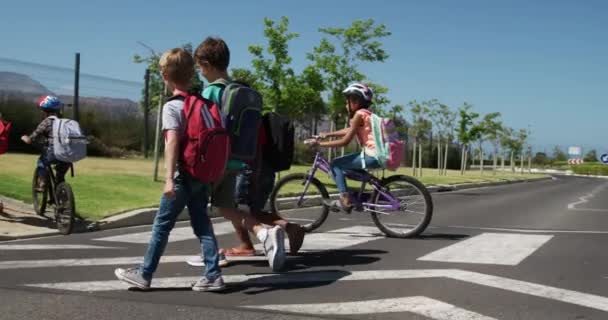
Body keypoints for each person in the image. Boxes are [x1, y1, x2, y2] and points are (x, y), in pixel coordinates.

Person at [114, 48, 224, 292]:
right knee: (202, 225)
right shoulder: (203, 104)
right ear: (191, 74)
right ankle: (213, 274)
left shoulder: (173, 106)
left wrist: (168, 180)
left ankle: (144, 274)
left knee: (162, 226)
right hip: (201, 175)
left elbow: (172, 142)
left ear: (164, 74)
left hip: (183, 175)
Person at [193, 37, 286, 271]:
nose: (199, 71)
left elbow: (202, 127)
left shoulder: (212, 91)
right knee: (227, 208)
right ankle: (264, 233)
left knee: (198, 204)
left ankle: (210, 254)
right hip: (236, 159)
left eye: (199, 66)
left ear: (207, 64)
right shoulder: (238, 89)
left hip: (215, 159)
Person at [307, 83, 381, 212]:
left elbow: (344, 142)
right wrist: (327, 134)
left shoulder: (359, 115)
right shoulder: (367, 114)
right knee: (348, 166)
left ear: (356, 101)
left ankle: (345, 199)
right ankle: (374, 183)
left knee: (336, 164)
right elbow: (350, 130)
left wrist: (320, 144)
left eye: (348, 101)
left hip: (371, 155)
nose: (346, 105)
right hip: (377, 154)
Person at [21, 96, 70, 191]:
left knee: (41, 162)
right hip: (67, 154)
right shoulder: (65, 122)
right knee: (60, 176)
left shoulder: (47, 122)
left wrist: (26, 138)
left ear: (44, 111)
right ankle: (63, 196)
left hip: (53, 153)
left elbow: (33, 136)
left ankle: (42, 183)